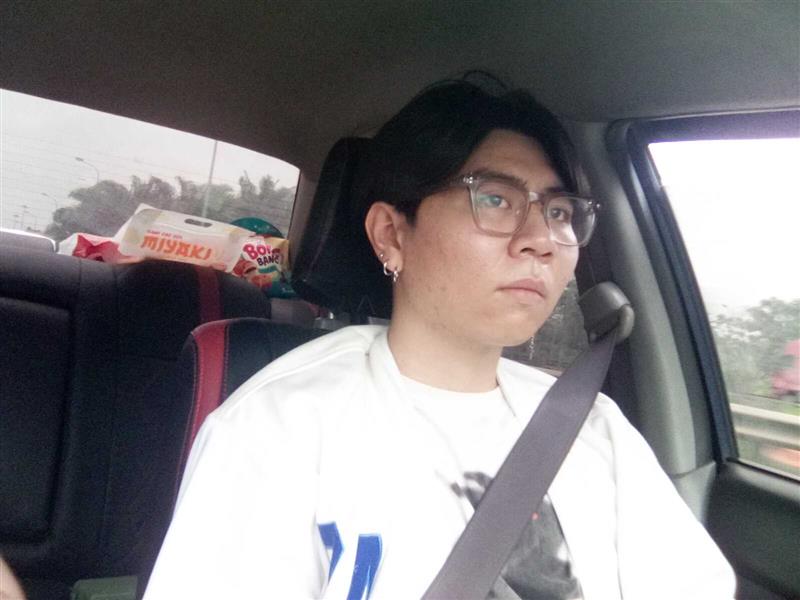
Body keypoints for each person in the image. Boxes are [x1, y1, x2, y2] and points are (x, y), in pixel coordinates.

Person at [143, 79, 735, 599]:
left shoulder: (595, 429)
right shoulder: (278, 426)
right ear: (391, 234)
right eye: (495, 198)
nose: (541, 239)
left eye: (559, 212)